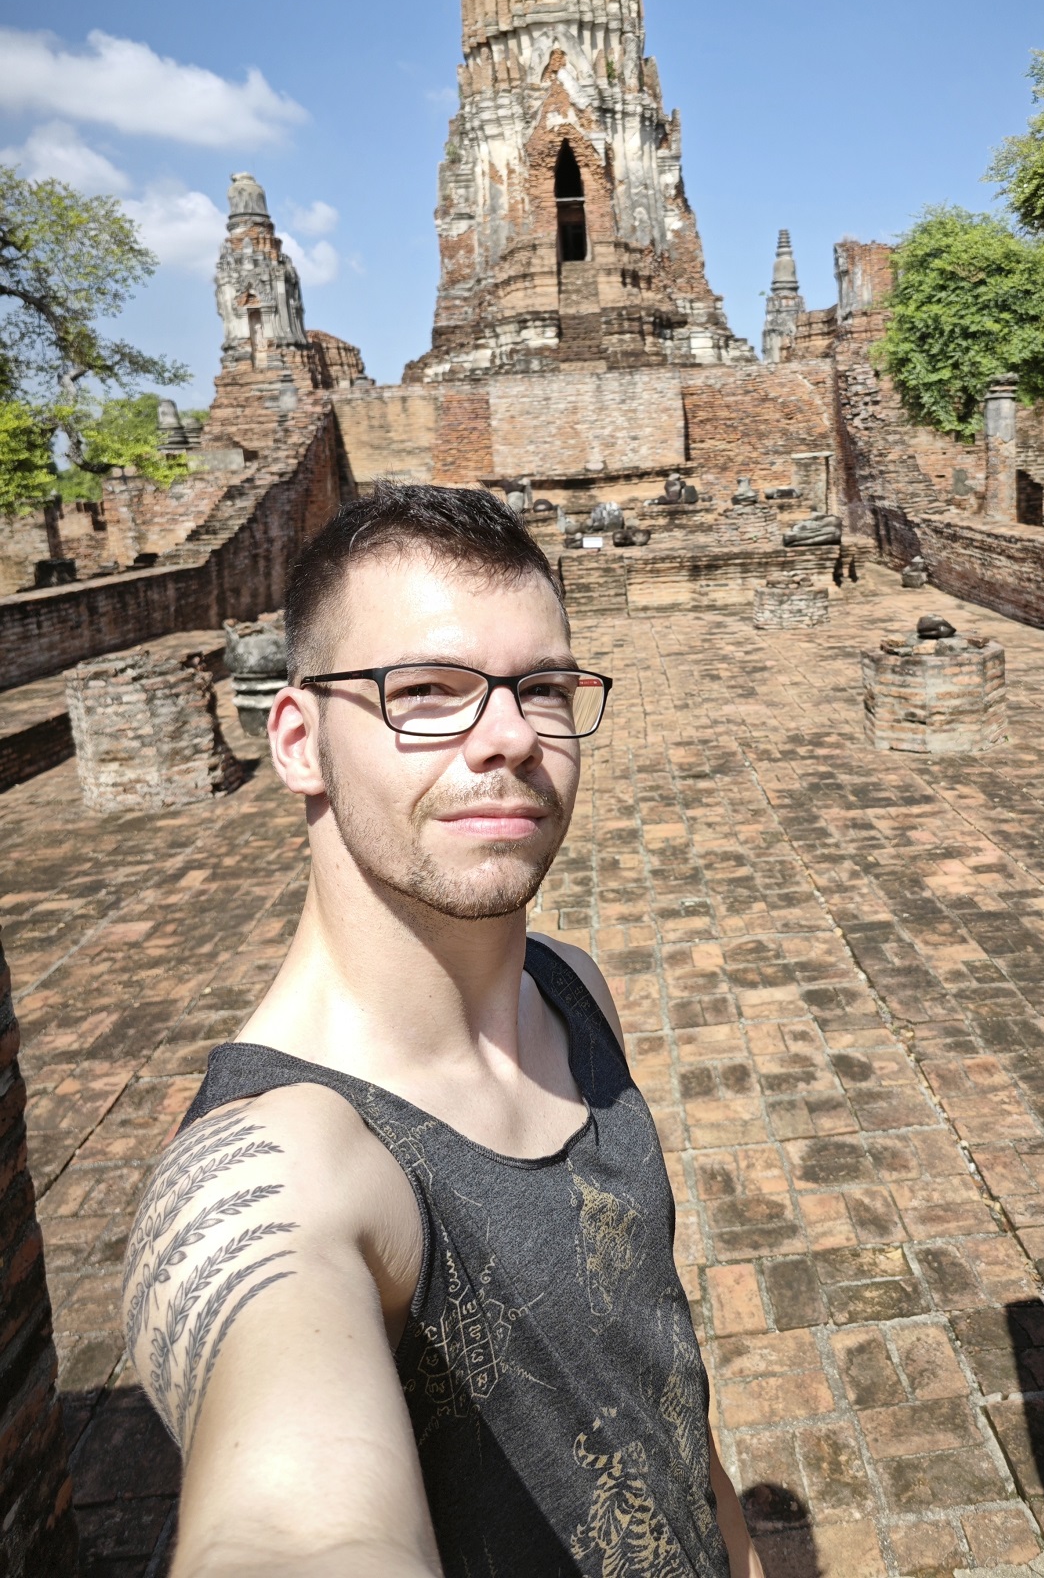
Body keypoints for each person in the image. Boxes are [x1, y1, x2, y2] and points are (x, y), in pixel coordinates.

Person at [122, 485, 763, 1578]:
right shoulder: (286, 1165)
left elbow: (649, 1378)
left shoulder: (571, 991)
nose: (510, 736)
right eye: (425, 691)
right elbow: (292, 1530)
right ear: (298, 739)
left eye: (543, 687)